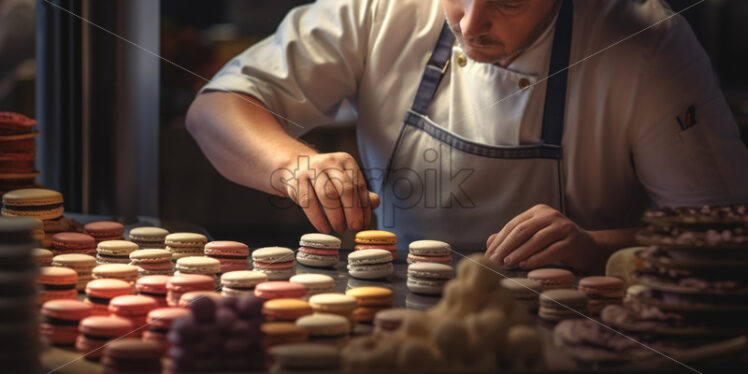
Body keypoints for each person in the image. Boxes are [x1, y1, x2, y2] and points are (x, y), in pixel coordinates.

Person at [186, 0, 748, 274]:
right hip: (396, 315)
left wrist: (596, 247)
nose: (471, 23)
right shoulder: (381, 9)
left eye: (507, 0)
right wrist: (293, 165)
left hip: (575, 334)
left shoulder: (647, 43)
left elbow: (728, 234)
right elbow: (215, 107)